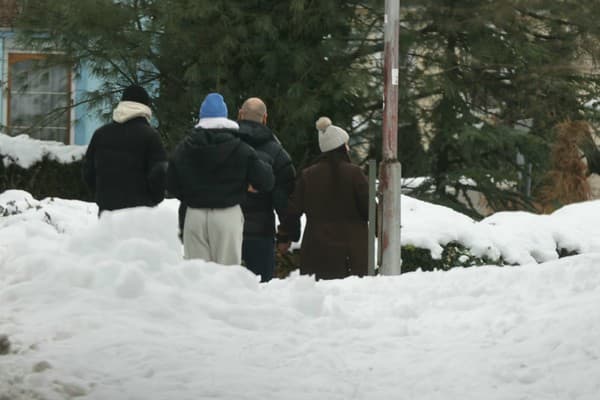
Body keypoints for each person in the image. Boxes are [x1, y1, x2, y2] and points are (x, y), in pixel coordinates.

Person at [167, 93, 274, 265]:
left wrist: (190, 193)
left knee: (196, 275)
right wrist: (245, 185)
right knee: (226, 274)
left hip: (195, 215)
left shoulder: (184, 148)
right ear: (225, 117)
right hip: (227, 215)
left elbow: (171, 183)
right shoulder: (241, 148)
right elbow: (266, 181)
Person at [277, 117, 369, 280]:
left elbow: (292, 211)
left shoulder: (308, 175)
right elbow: (370, 209)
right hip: (352, 255)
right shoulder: (355, 174)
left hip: (316, 253)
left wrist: (285, 237)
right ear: (343, 148)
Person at [82, 84, 167, 213]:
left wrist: (102, 195)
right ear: (145, 108)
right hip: (140, 212)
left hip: (107, 211)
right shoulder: (151, 136)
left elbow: (88, 171)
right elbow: (159, 174)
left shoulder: (100, 134)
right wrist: (153, 200)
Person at [237, 97, 296, 282]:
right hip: (261, 234)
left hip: (225, 230)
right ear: (265, 119)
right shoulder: (277, 153)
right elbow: (284, 199)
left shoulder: (224, 145)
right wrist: (286, 233)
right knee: (261, 293)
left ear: (240, 114)